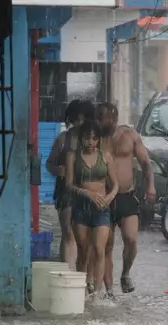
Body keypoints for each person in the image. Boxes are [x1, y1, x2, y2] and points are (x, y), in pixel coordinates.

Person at [96, 103, 156, 294]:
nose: (99, 121)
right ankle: (109, 291)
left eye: (102, 117)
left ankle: (125, 274)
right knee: (106, 245)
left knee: (131, 239)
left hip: (126, 196)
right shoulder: (95, 139)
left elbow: (146, 163)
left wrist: (150, 187)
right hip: (104, 197)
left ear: (113, 118)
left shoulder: (130, 136)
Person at [65, 120, 119, 300]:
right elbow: (69, 185)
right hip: (81, 208)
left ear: (98, 140)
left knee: (99, 249)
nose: (91, 142)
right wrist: (85, 192)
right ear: (81, 139)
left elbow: (116, 184)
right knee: (83, 250)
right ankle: (82, 290)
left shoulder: (106, 156)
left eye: (94, 139)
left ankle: (97, 292)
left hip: (101, 209)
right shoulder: (73, 156)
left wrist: (109, 197)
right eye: (87, 138)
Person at [45, 100, 96, 271]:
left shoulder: (94, 141)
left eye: (84, 120)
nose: (80, 124)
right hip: (66, 193)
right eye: (77, 120)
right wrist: (57, 169)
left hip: (89, 192)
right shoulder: (62, 140)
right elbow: (49, 164)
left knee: (86, 237)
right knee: (68, 232)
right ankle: (66, 274)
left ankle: (84, 276)